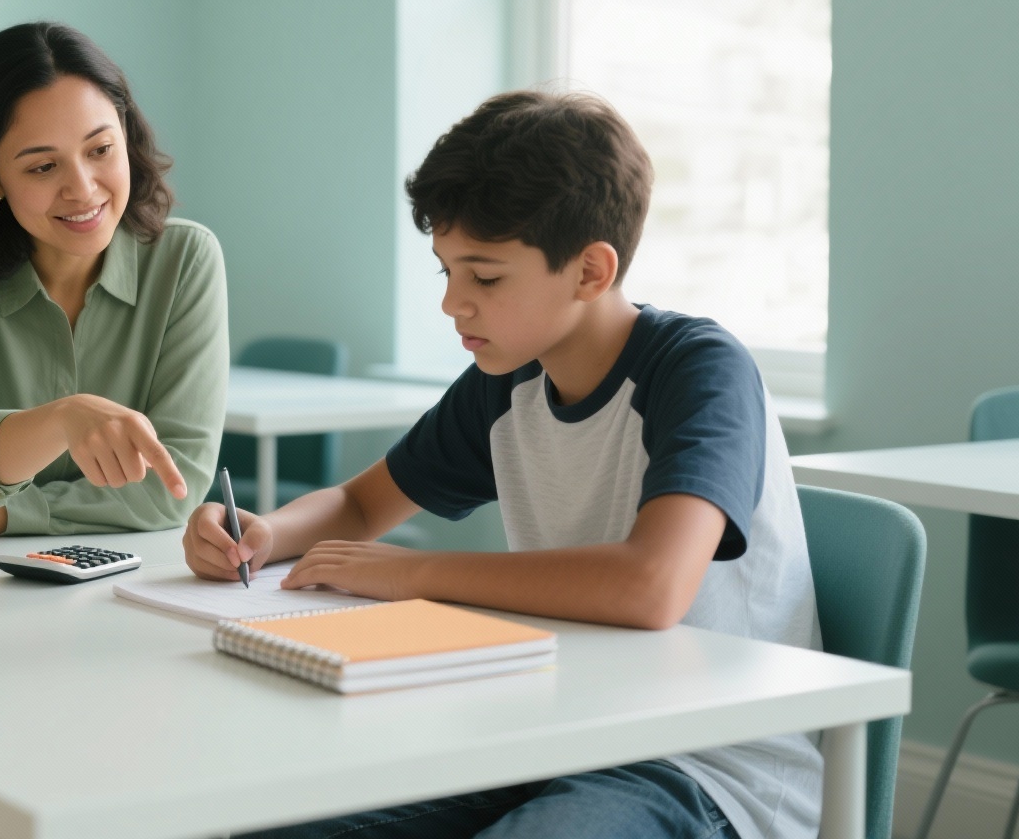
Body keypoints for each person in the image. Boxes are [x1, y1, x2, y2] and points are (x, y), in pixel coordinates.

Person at [185, 90, 821, 839]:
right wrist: (263, 531)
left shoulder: (701, 371)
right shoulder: (508, 379)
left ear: (590, 270)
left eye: (484, 278)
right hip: (548, 734)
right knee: (272, 820)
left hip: (704, 765)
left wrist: (412, 576)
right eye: (445, 272)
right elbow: (361, 507)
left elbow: (651, 587)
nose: (455, 304)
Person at [0, 21, 228, 837]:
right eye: (41, 165)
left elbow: (176, 489)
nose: (83, 187)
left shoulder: (186, 261)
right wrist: (61, 420)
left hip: (121, 634)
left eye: (101, 149)